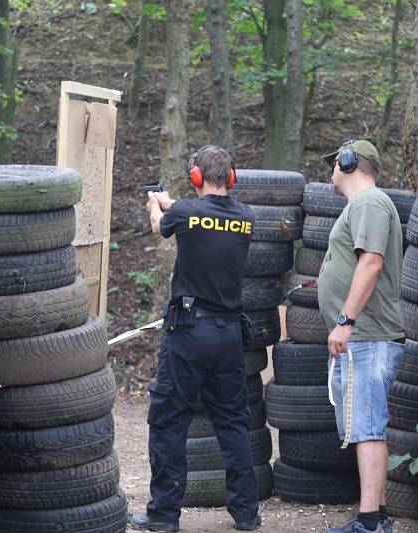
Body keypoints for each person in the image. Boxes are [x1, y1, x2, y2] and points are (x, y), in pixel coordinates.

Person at [128, 145, 261, 532]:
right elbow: (201, 215)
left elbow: (160, 225)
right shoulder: (245, 217)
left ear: (197, 177)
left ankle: (164, 515)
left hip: (188, 334)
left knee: (169, 422)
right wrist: (173, 203)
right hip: (229, 335)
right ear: (231, 178)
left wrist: (156, 204)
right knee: (234, 424)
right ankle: (246, 514)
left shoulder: (184, 213)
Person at [317, 139, 405, 533]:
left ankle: (369, 523)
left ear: (349, 162)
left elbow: (370, 262)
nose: (331, 170)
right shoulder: (364, 206)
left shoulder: (368, 202)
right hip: (365, 335)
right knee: (365, 427)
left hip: (367, 335)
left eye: (334, 163)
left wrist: (345, 319)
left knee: (367, 428)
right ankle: (378, 516)